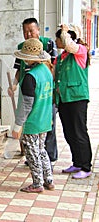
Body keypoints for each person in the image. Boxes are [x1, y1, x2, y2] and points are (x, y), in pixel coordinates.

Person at [9, 17, 58, 166]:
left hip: (43, 91)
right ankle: (33, 156)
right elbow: (18, 69)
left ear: (38, 29)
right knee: (29, 123)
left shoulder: (48, 44)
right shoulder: (22, 46)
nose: (28, 34)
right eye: (25, 32)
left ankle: (48, 158)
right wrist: (14, 85)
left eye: (31, 31)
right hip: (28, 89)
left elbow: (53, 66)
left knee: (46, 125)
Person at [12, 38, 55, 193]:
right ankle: (48, 179)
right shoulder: (47, 72)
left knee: (32, 153)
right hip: (45, 119)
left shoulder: (30, 77)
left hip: (33, 122)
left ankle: (37, 183)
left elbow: (26, 105)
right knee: (41, 149)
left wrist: (18, 125)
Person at [54, 24, 92, 179]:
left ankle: (85, 166)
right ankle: (77, 162)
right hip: (64, 99)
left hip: (77, 98)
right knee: (69, 133)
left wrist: (65, 31)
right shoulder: (60, 58)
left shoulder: (80, 52)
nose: (56, 41)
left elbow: (70, 46)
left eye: (58, 38)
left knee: (79, 132)